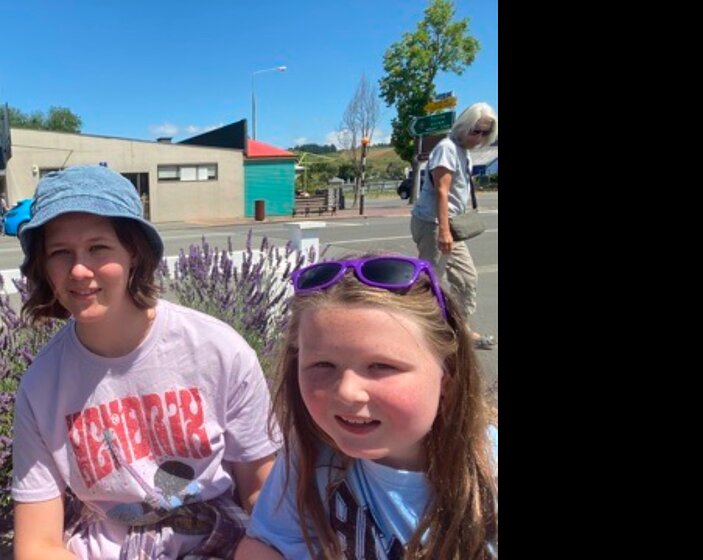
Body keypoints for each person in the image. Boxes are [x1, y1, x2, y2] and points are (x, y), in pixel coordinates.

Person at [11, 165, 280, 559]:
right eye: (60, 253)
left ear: (134, 252)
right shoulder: (41, 386)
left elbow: (260, 491)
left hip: (218, 539)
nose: (79, 270)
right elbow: (37, 543)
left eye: (98, 247)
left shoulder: (219, 351)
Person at [235, 254, 498, 559]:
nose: (347, 392)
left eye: (381, 366)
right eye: (323, 365)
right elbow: (265, 546)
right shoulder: (310, 456)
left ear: (447, 378)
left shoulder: (487, 472)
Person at [410, 101, 498, 350]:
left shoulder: (463, 151)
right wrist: (444, 231)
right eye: (475, 131)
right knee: (431, 281)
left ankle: (459, 329)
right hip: (433, 223)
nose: (478, 137)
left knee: (466, 279)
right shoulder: (447, 148)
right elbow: (442, 190)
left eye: (484, 133)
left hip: (448, 223)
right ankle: (423, 333)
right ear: (464, 125)